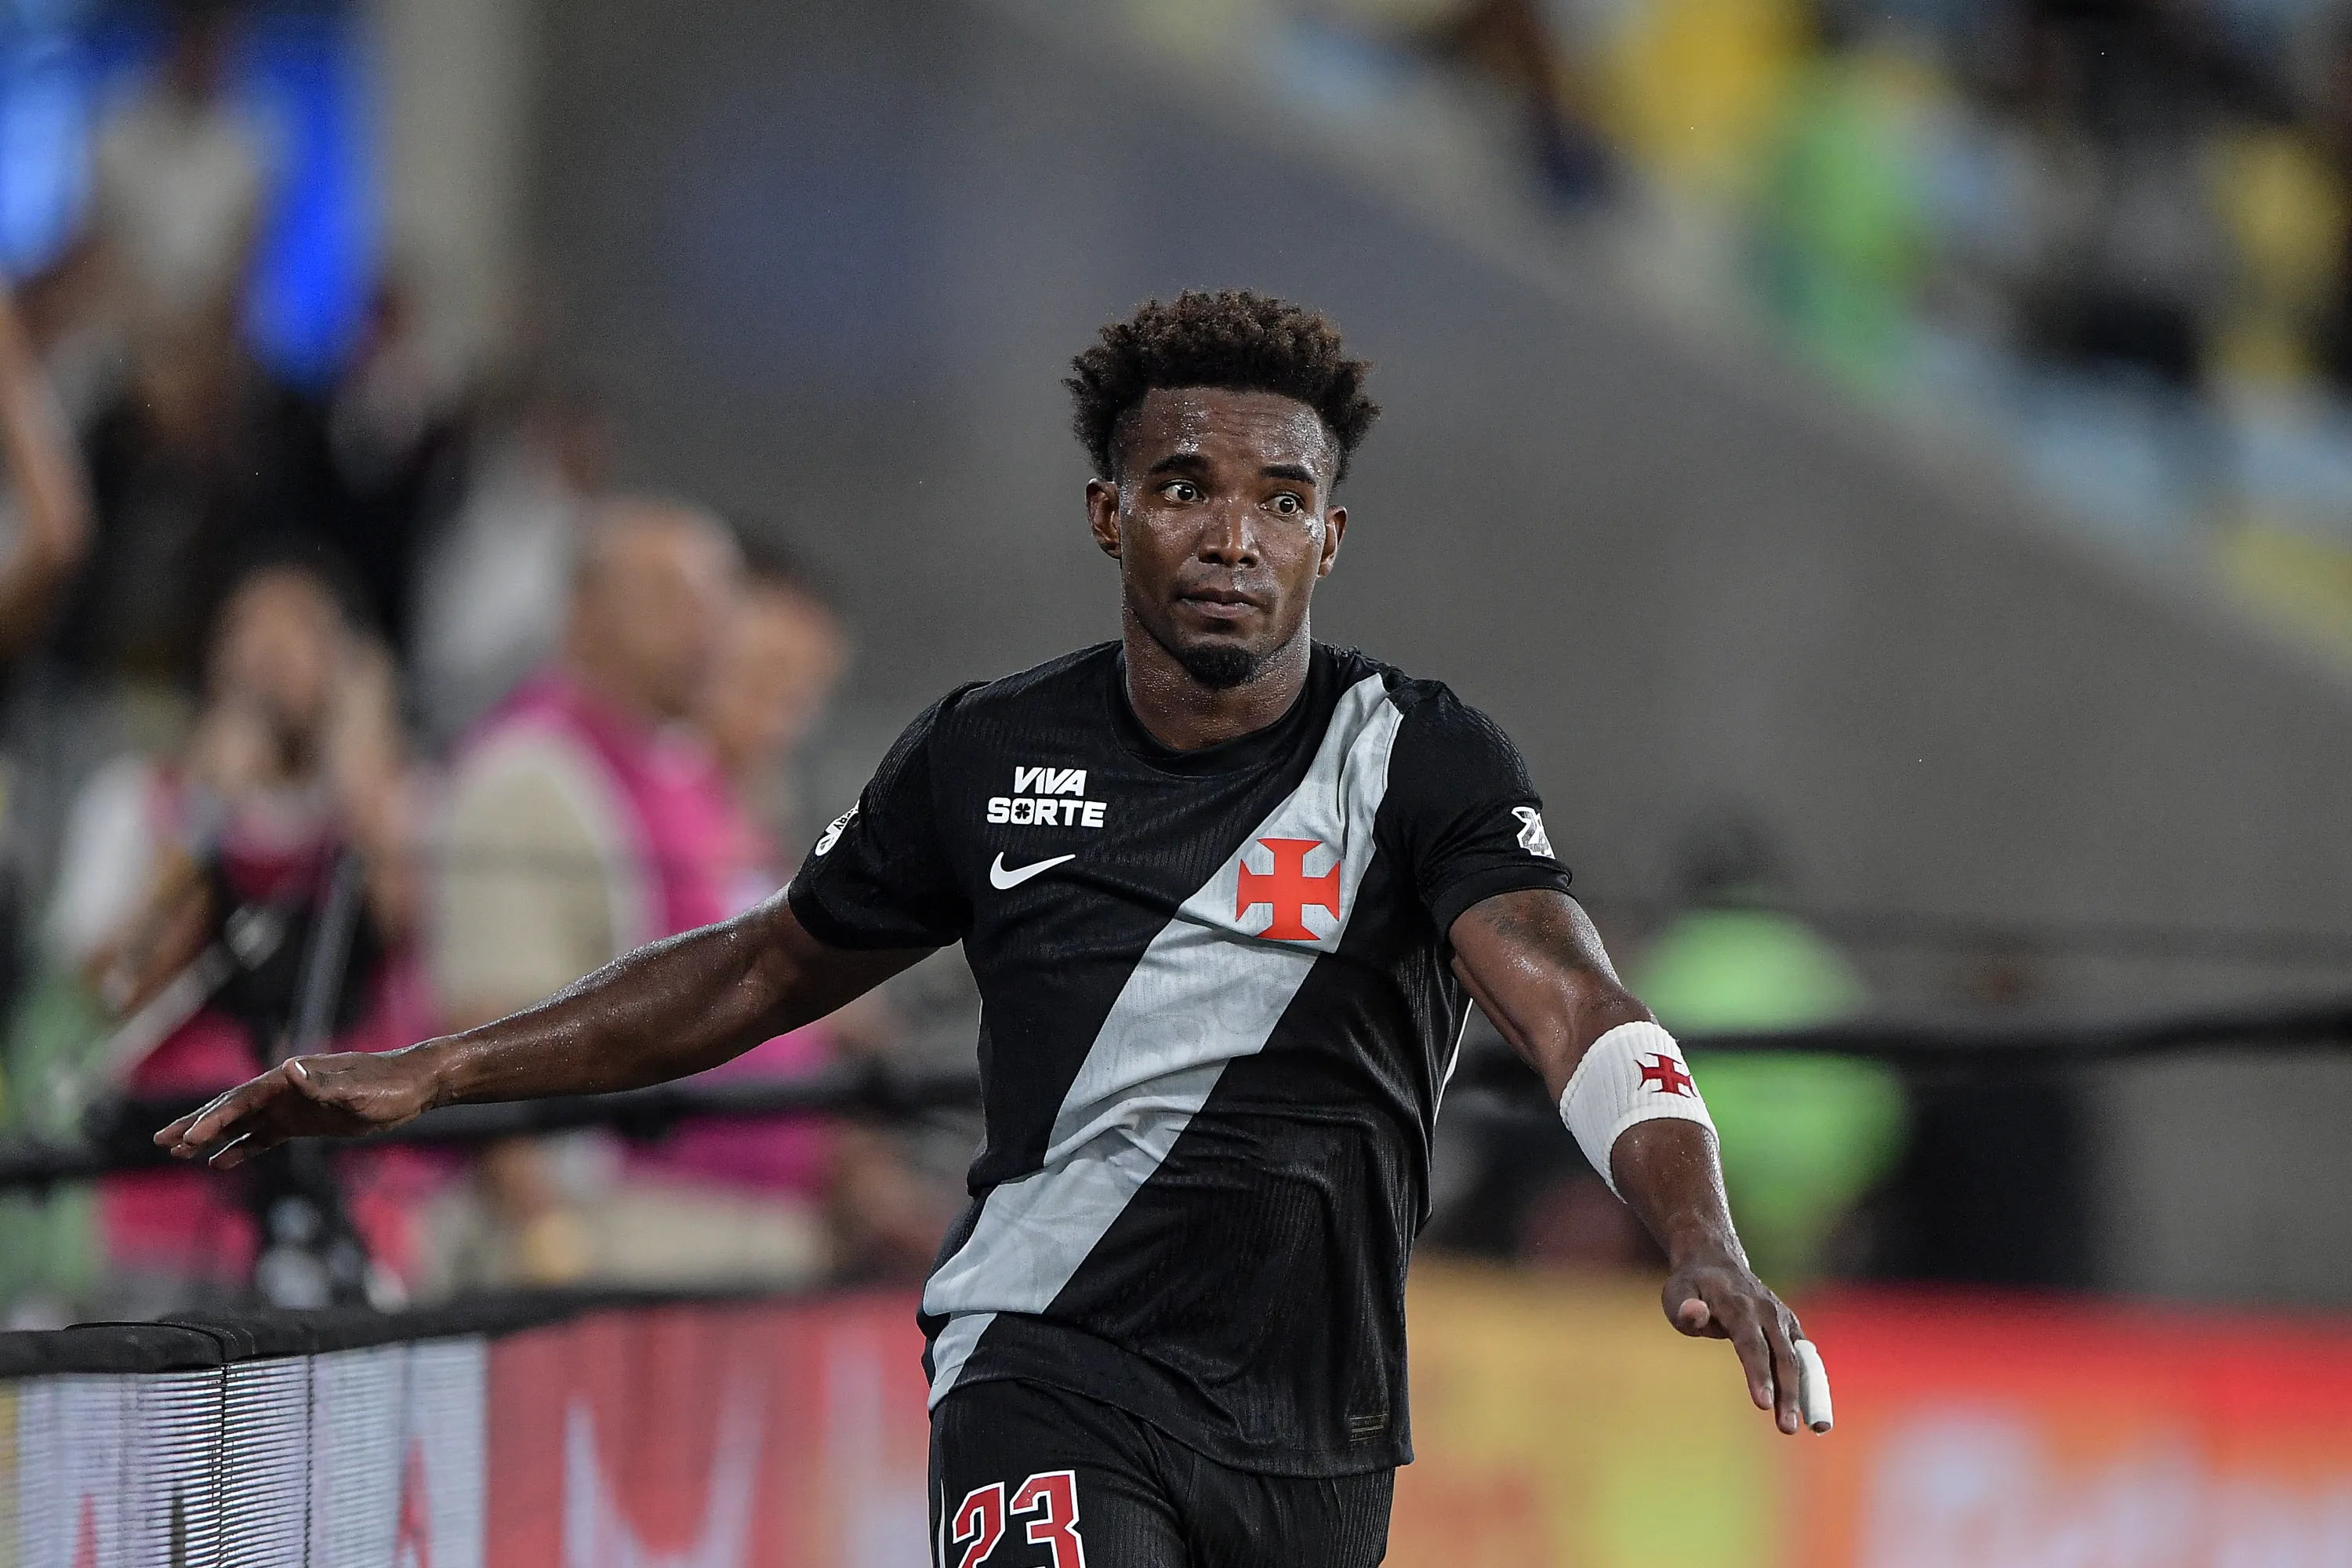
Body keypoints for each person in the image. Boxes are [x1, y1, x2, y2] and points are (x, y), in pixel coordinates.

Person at [159, 291, 1819, 1563]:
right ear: (1109, 513)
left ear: (1331, 531)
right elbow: (755, 968)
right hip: (1049, 1364)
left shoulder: (1425, 758)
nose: (1230, 534)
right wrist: (437, 1071)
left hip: (1320, 1433)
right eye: (1183, 485)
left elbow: (1576, 1008)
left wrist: (1699, 1230)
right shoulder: (986, 752)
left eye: (1276, 496)